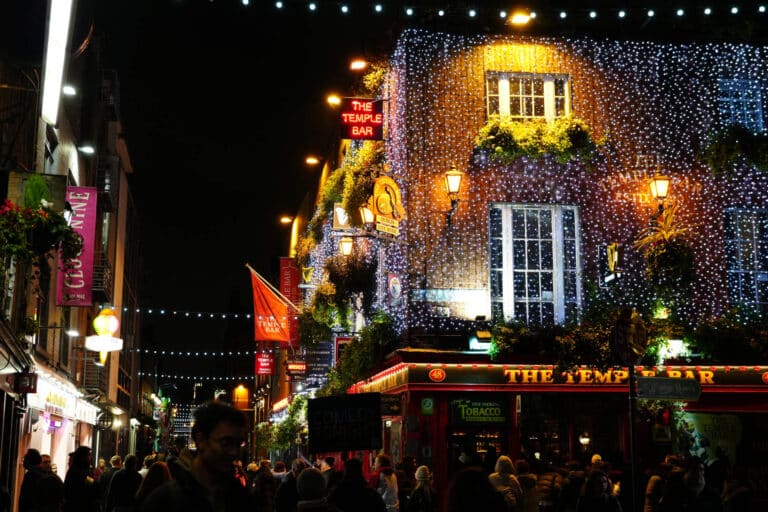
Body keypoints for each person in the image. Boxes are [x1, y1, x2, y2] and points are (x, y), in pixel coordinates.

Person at [139, 400, 255, 512]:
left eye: (238, 444)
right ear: (201, 440)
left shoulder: (242, 498)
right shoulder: (165, 502)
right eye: (225, 443)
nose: (234, 452)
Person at [63, 446, 99, 512]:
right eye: (89, 455)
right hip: (80, 506)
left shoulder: (75, 469)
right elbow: (92, 484)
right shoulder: (80, 471)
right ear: (83, 457)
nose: (91, 457)